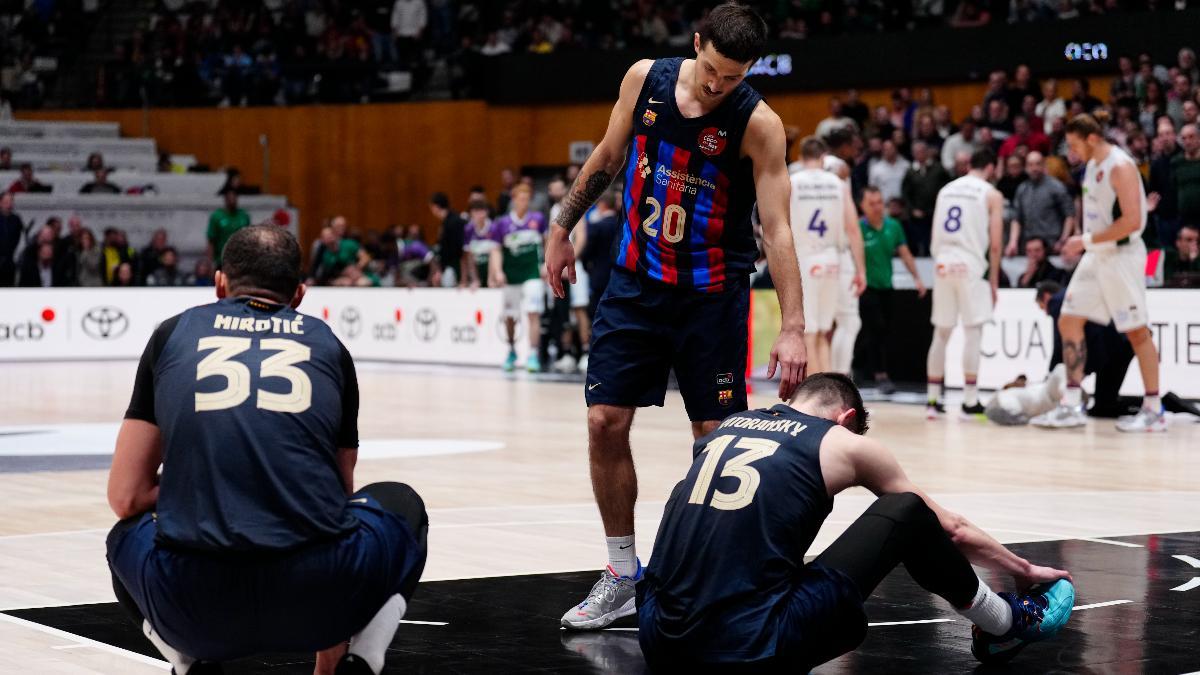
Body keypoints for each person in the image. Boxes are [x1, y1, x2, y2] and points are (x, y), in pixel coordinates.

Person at [543, 2, 808, 630]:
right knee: (605, 421)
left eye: (734, 78)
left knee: (717, 447)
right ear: (697, 44)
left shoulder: (760, 124)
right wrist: (560, 227)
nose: (719, 86)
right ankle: (620, 573)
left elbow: (777, 229)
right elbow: (607, 158)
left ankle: (706, 576)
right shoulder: (644, 79)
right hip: (636, 284)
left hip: (711, 296)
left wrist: (793, 326)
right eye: (713, 71)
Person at [105, 226, 427, 675]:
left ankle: (190, 663)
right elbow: (337, 496)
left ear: (219, 284)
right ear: (298, 294)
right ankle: (358, 659)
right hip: (317, 603)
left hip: (198, 608)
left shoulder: (173, 335)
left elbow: (125, 496)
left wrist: (202, 481)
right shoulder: (328, 346)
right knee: (402, 504)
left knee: (123, 536)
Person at [637, 373, 1075, 671]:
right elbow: (950, 528)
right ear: (846, 419)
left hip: (659, 640)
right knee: (905, 511)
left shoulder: (726, 428)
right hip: (747, 650)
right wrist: (1023, 568)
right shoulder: (841, 442)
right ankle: (1007, 622)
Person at [1036, 113, 1165, 432]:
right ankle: (1071, 404)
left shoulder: (1120, 167)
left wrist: (1085, 241)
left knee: (1136, 331)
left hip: (1122, 257)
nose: (1072, 151)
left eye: (1076, 144)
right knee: (1068, 319)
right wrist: (1082, 241)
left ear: (1092, 138)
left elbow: (1133, 221)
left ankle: (1153, 409)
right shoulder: (1091, 166)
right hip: (1096, 254)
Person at [925, 149, 1003, 418]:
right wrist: (993, 280)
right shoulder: (991, 194)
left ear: (969, 163)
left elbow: (935, 231)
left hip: (943, 263)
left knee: (941, 333)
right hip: (970, 266)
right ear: (991, 168)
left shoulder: (946, 189)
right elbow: (994, 245)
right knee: (973, 332)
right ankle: (970, 400)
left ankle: (933, 401)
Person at [789, 136, 866, 374]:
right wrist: (861, 270)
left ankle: (813, 398)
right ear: (823, 158)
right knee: (823, 331)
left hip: (805, 258)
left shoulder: (792, 181)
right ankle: (828, 394)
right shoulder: (838, 184)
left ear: (801, 158)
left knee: (809, 332)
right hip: (832, 260)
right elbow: (853, 228)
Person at [859, 186, 925, 394]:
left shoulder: (893, 226)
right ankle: (880, 375)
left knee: (882, 330)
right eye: (872, 203)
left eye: (880, 202)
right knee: (874, 328)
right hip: (864, 287)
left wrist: (917, 278)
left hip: (886, 286)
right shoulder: (858, 228)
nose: (877, 207)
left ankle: (861, 369)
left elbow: (904, 253)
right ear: (863, 206)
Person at [491, 183, 547, 373]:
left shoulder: (538, 219)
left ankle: (532, 354)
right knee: (510, 317)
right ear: (514, 200)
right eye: (521, 198)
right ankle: (511, 350)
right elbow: (496, 250)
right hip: (511, 276)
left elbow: (547, 243)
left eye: (527, 199)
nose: (524, 202)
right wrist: (497, 271)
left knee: (533, 312)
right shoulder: (502, 223)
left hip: (532, 273)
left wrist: (546, 264)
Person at [1006, 151, 1076, 255]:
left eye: (1038, 164)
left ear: (1044, 165)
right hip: (1028, 245)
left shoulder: (1056, 187)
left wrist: (1063, 240)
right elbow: (1016, 219)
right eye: (1030, 165)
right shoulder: (1022, 189)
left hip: (1052, 244)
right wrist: (1013, 242)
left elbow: (1069, 215)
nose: (1034, 168)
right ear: (1026, 168)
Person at [901, 140, 951, 256]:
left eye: (922, 151)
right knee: (917, 241)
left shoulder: (938, 169)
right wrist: (912, 209)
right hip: (916, 215)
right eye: (917, 152)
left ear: (927, 152)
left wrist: (939, 208)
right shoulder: (910, 172)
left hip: (935, 213)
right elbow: (905, 193)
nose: (920, 154)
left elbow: (946, 188)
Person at [208, 187, 251, 269]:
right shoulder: (217, 216)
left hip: (240, 260)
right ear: (225, 199)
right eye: (230, 197)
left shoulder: (243, 216)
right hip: (221, 260)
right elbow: (211, 241)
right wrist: (210, 263)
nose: (232, 200)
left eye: (234, 197)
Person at [429, 192, 465, 288]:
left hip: (455, 267)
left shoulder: (452, 223)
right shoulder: (449, 221)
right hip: (453, 265)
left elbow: (453, 249)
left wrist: (441, 269)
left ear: (435, 207)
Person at [462, 198, 499, 288]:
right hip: (478, 268)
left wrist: (491, 278)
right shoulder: (468, 230)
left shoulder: (494, 228)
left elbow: (495, 254)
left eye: (481, 211)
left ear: (486, 212)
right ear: (471, 214)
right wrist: (474, 279)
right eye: (475, 212)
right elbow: (468, 257)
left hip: (491, 270)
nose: (479, 215)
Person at [1164, 223, 1200, 287]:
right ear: (1178, 243)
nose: (1194, 244)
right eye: (1189, 240)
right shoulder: (1167, 259)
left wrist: (1194, 260)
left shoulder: (1198, 261)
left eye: (1197, 241)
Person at [0, 191, 21, 286]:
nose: (9, 204)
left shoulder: (16, 220)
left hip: (9, 262)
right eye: (6, 201)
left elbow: (17, 239)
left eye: (11, 201)